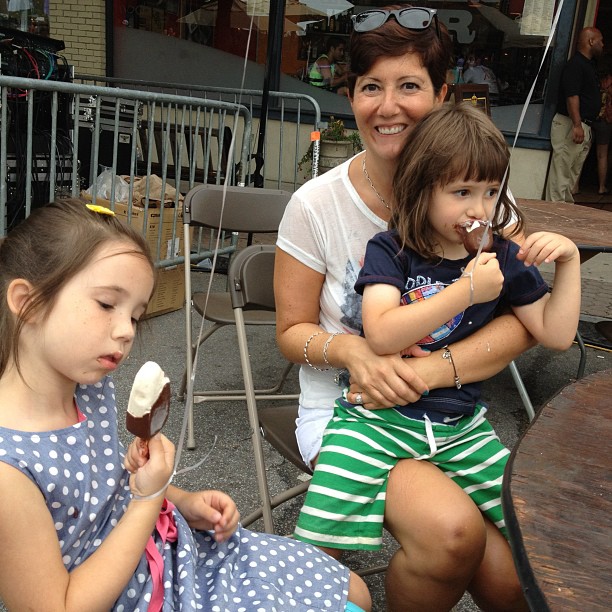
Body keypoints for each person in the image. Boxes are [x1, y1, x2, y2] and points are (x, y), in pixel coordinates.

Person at [275, 5, 534, 610]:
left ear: (442, 95)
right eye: (371, 87)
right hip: (352, 413)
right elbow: (290, 331)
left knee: (513, 580)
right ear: (351, 97)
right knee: (453, 535)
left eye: (409, 86)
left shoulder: (483, 200)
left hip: (452, 416)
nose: (387, 106)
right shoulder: (316, 205)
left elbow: (524, 323)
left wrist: (431, 372)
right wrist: (354, 351)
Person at [0, 199, 371, 612]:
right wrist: (148, 500)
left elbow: (111, 487)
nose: (126, 331)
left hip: (171, 550)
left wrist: (181, 500)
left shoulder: (87, 388)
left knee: (353, 589)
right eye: (106, 304)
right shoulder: (8, 472)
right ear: (28, 302)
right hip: (139, 596)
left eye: (135, 316)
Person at [293, 102, 581, 579]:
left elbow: (556, 333)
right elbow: (381, 332)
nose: (479, 209)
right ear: (422, 189)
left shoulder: (501, 256)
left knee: (529, 522)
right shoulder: (393, 249)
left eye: (491, 192)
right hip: (374, 422)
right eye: (461, 191)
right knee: (319, 538)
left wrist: (568, 265)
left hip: (461, 428)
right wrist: (464, 292)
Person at [545, 27, 605, 203]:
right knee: (561, 173)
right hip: (570, 125)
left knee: (571, 174)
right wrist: (577, 125)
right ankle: (553, 212)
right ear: (591, 41)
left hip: (583, 125)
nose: (603, 44)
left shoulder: (588, 65)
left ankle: (564, 210)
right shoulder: (576, 65)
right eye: (600, 40)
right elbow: (572, 96)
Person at [593, 68, 612, 194]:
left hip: (591, 119)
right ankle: (601, 187)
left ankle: (575, 185)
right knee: (602, 155)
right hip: (605, 121)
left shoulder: (596, 81)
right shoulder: (610, 84)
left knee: (582, 153)